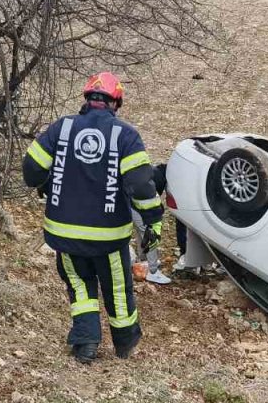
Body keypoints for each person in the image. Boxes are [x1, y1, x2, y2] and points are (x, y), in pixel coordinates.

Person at [22, 72, 163, 364]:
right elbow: (140, 185)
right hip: (107, 237)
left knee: (79, 285)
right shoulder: (125, 136)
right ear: (116, 103)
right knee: (117, 290)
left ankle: (85, 343)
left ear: (87, 99)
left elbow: (31, 170)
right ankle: (124, 345)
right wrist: (153, 219)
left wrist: (50, 183)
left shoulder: (62, 129)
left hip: (64, 233)